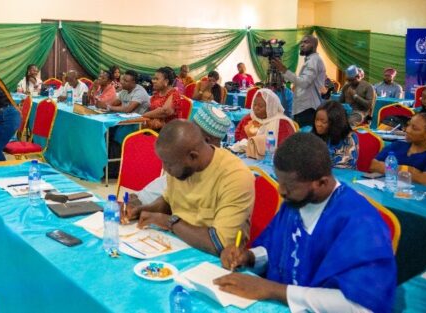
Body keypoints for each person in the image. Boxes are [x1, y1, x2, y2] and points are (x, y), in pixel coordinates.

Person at [215, 133, 396, 313]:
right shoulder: (296, 202)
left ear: (322, 183)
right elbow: (277, 251)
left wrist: (273, 290)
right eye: (280, 182)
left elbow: (362, 305)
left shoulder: (360, 222)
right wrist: (249, 257)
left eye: (290, 186)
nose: (281, 191)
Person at [126, 121, 254, 255]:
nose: (164, 168)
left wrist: (169, 222)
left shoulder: (235, 177)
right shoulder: (180, 163)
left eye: (169, 164)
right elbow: (169, 201)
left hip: (211, 259)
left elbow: (219, 244)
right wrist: (140, 211)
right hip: (177, 243)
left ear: (193, 156)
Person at [271, 35, 326, 128]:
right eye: (301, 42)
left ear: (313, 45)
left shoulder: (314, 60)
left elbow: (304, 82)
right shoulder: (310, 60)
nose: (302, 45)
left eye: (306, 42)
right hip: (303, 107)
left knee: (304, 138)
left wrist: (284, 70)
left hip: (307, 108)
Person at [370, 112, 426, 186]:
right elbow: (373, 166)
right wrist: (409, 170)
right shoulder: (398, 145)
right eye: (408, 125)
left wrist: (388, 167)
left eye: (414, 128)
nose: (407, 130)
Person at [313, 101, 358, 169]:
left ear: (334, 122)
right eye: (316, 120)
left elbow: (346, 163)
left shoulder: (349, 138)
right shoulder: (313, 135)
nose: (318, 124)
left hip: (342, 176)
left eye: (323, 121)